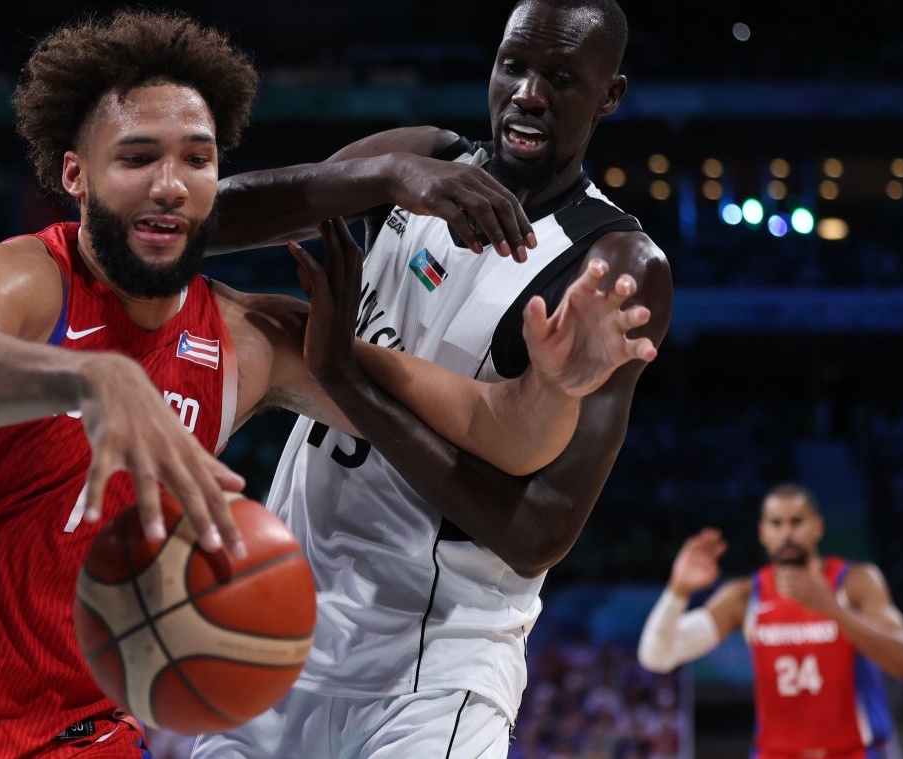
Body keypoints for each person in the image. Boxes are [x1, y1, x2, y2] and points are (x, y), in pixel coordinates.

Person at [0, 9, 656, 759]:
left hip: (86, 728)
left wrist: (556, 385)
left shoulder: (249, 337)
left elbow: (500, 429)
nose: (170, 185)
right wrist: (91, 377)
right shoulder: (19, 281)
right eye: (138, 157)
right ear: (75, 174)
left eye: (196, 160)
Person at [193, 1, 672, 756]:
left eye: (560, 78)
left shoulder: (614, 264)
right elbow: (197, 224)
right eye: (514, 66)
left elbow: (536, 533)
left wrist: (346, 381)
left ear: (609, 95)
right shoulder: (417, 160)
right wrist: (383, 173)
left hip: (434, 667)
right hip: (281, 627)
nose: (528, 94)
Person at [636, 483, 903, 759]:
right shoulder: (745, 596)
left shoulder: (855, 582)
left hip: (851, 752)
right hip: (776, 753)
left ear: (818, 527)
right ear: (762, 532)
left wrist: (835, 610)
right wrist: (677, 592)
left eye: (797, 522)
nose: (787, 533)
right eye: (776, 523)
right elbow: (656, 657)